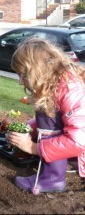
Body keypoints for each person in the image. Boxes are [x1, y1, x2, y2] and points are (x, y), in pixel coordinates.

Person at [7, 38, 85, 194]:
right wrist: (29, 129)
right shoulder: (57, 82)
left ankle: (52, 179)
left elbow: (79, 141)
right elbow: (53, 120)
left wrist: (33, 147)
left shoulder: (71, 89)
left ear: (38, 71)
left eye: (23, 75)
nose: (21, 82)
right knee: (45, 109)